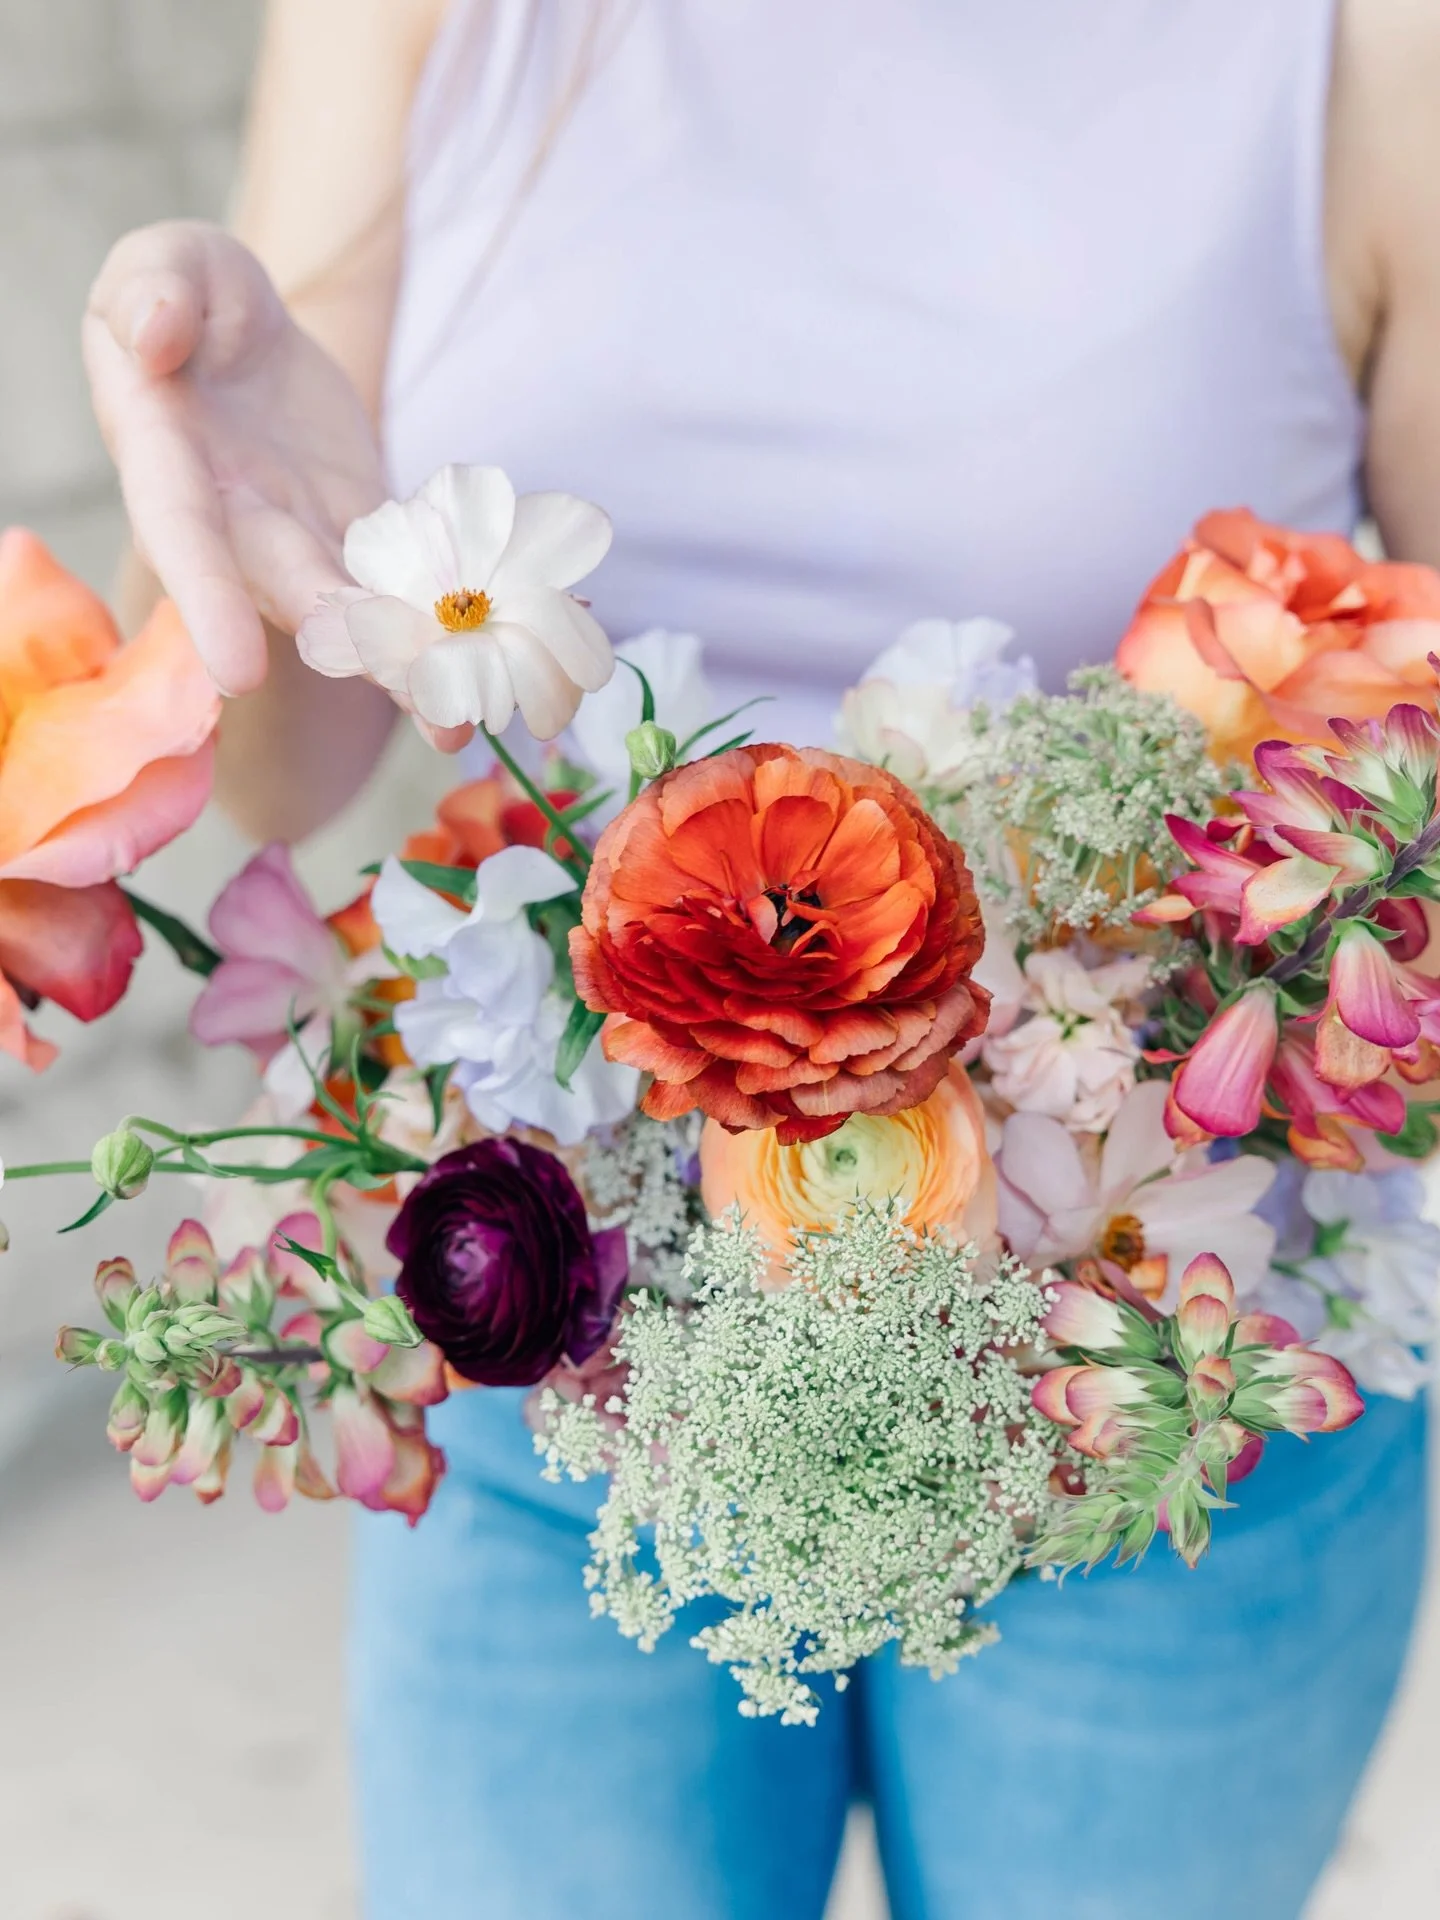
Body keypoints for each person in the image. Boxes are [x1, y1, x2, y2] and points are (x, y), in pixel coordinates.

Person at [83, 4, 1440, 1915]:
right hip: (575, 1351)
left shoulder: (1364, 47)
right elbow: (285, 772)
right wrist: (230, 520)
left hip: (1164, 1380)